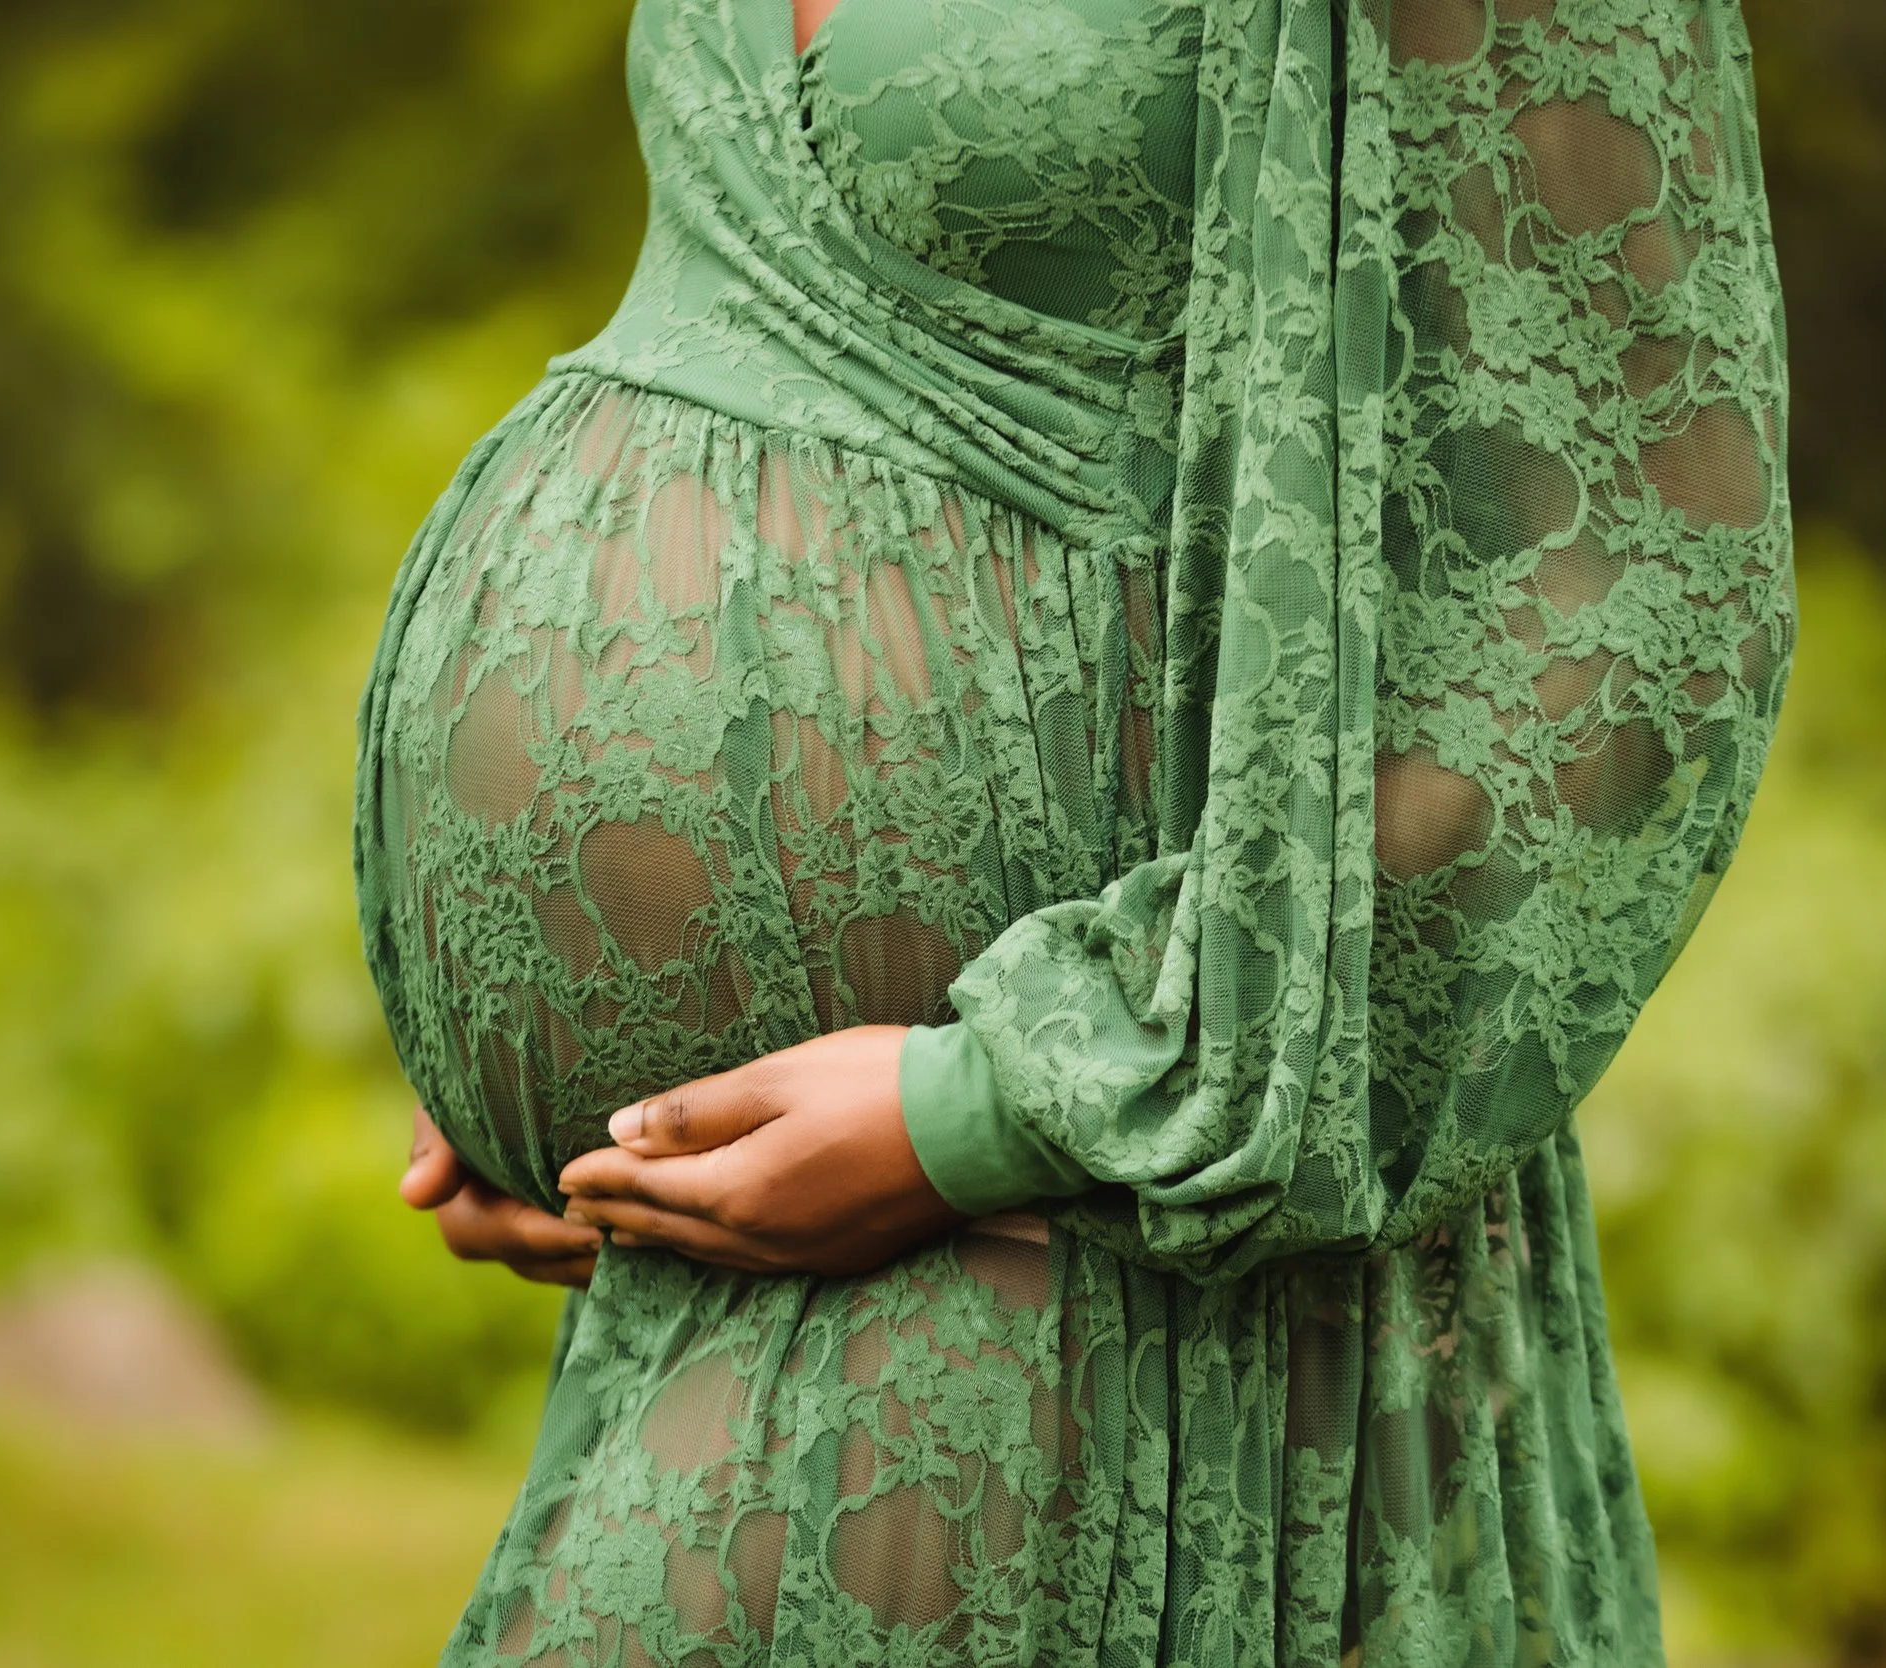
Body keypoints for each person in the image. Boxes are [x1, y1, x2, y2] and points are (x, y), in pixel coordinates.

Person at [357, 0, 1793, 1660]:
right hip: (731, 1217)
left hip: (1096, 1219)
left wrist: (1011, 1099)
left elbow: (1632, 600)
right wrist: (535, 995)